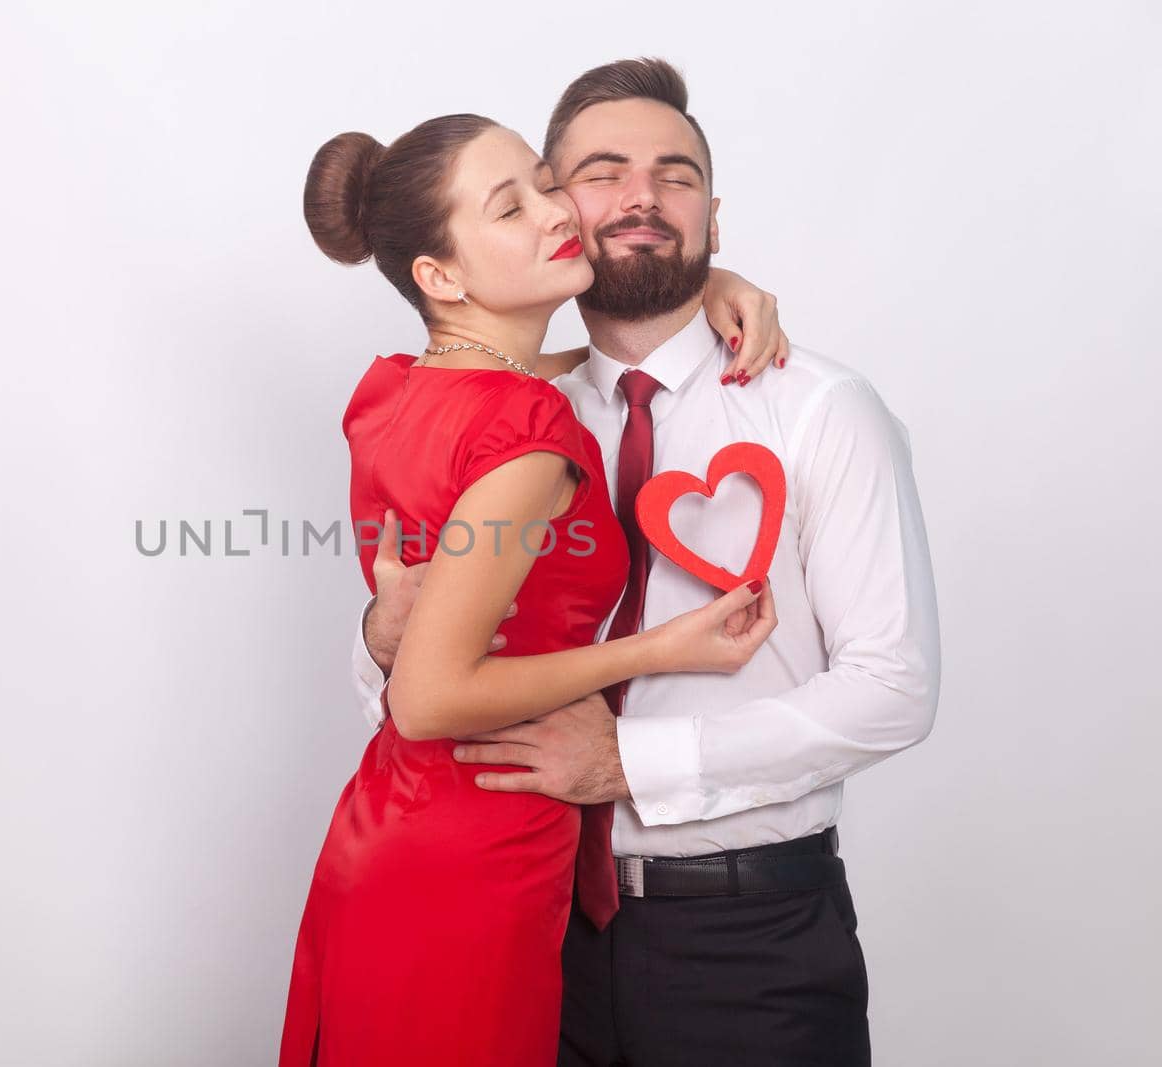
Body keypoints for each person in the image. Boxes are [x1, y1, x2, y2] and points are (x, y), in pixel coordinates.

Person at [352, 58, 942, 1066]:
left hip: (747, 943)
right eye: (601, 171)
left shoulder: (819, 409)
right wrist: (378, 635)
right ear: (554, 206)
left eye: (674, 175)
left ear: (712, 213)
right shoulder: (508, 415)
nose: (640, 195)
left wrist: (631, 764)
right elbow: (403, 688)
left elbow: (892, 688)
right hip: (526, 923)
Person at [278, 102, 789, 1065]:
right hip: (476, 849)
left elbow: (556, 361)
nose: (558, 212)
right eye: (510, 207)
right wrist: (661, 649)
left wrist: (705, 279)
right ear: (439, 274)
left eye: (547, 185)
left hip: (391, 829)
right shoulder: (527, 434)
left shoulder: (398, 388)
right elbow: (429, 698)